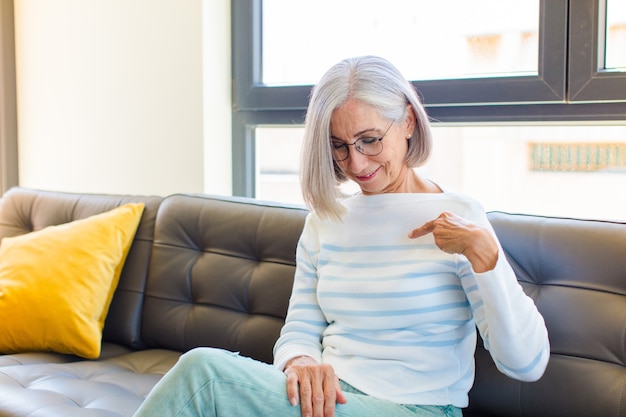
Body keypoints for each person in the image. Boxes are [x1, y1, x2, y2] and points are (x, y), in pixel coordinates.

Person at [133, 55, 549, 417]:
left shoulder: (459, 217)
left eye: (369, 140)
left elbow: (526, 365)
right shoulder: (326, 222)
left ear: (407, 121)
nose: (356, 163)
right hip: (329, 402)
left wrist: (487, 259)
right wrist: (299, 362)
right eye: (339, 146)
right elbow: (300, 328)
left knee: (204, 375)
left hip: (417, 408)